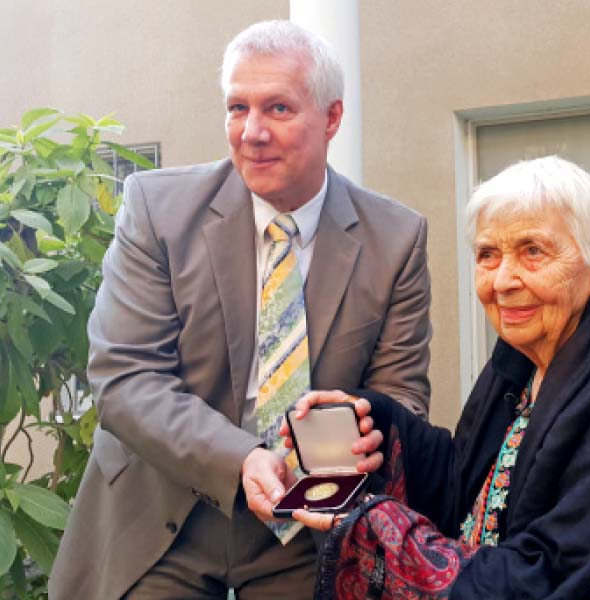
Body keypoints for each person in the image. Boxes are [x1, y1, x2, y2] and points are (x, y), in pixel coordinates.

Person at [49, 20, 431, 599]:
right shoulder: (157, 209)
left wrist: (371, 429)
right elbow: (125, 377)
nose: (251, 132)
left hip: (308, 533)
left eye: (278, 108)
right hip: (161, 516)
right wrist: (242, 458)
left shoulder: (396, 237)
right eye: (237, 108)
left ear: (331, 118)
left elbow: (401, 395)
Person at [293, 156, 590, 599]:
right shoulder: (520, 362)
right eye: (488, 255)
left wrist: (375, 524)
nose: (503, 280)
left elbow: (560, 574)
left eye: (533, 251)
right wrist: (378, 421)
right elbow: (465, 486)